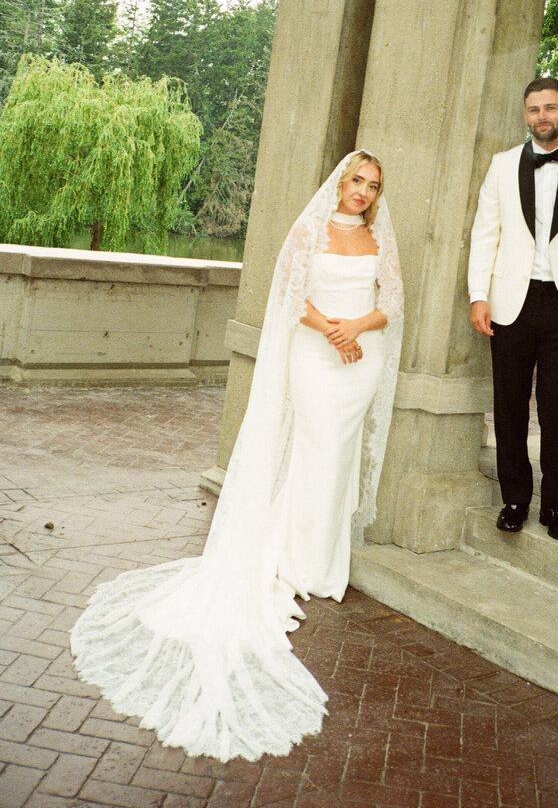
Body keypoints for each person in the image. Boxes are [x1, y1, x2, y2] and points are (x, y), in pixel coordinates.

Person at [71, 150, 403, 761]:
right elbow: (289, 294)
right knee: (316, 447)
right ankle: (295, 560)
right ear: (339, 180)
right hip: (314, 352)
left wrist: (358, 328)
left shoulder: (380, 235)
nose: (362, 191)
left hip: (362, 360)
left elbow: (393, 303)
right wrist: (332, 327)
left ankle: (325, 563)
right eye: (356, 180)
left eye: (372, 185)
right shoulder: (310, 228)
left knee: (336, 457)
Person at [468, 77, 558, 541]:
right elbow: (485, 234)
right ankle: (515, 499)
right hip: (511, 302)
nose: (542, 117)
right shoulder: (501, 165)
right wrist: (479, 294)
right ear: (525, 114)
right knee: (509, 404)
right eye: (534, 109)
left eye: (550, 108)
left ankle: (555, 506)